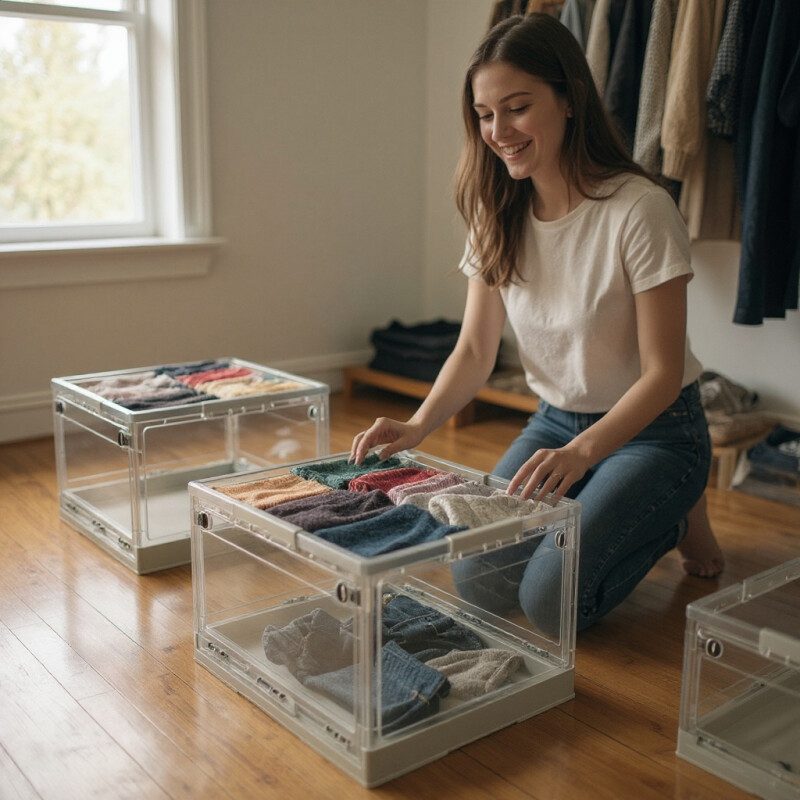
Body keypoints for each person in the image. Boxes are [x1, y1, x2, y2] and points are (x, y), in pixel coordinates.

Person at [349, 13, 725, 632]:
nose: (499, 130)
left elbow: (662, 377)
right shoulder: (496, 210)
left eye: (517, 107)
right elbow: (474, 349)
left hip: (657, 429)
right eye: (484, 114)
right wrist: (417, 426)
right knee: (478, 580)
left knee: (549, 604)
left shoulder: (640, 208)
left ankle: (675, 511)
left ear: (569, 99)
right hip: (554, 422)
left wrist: (583, 455)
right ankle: (624, 497)